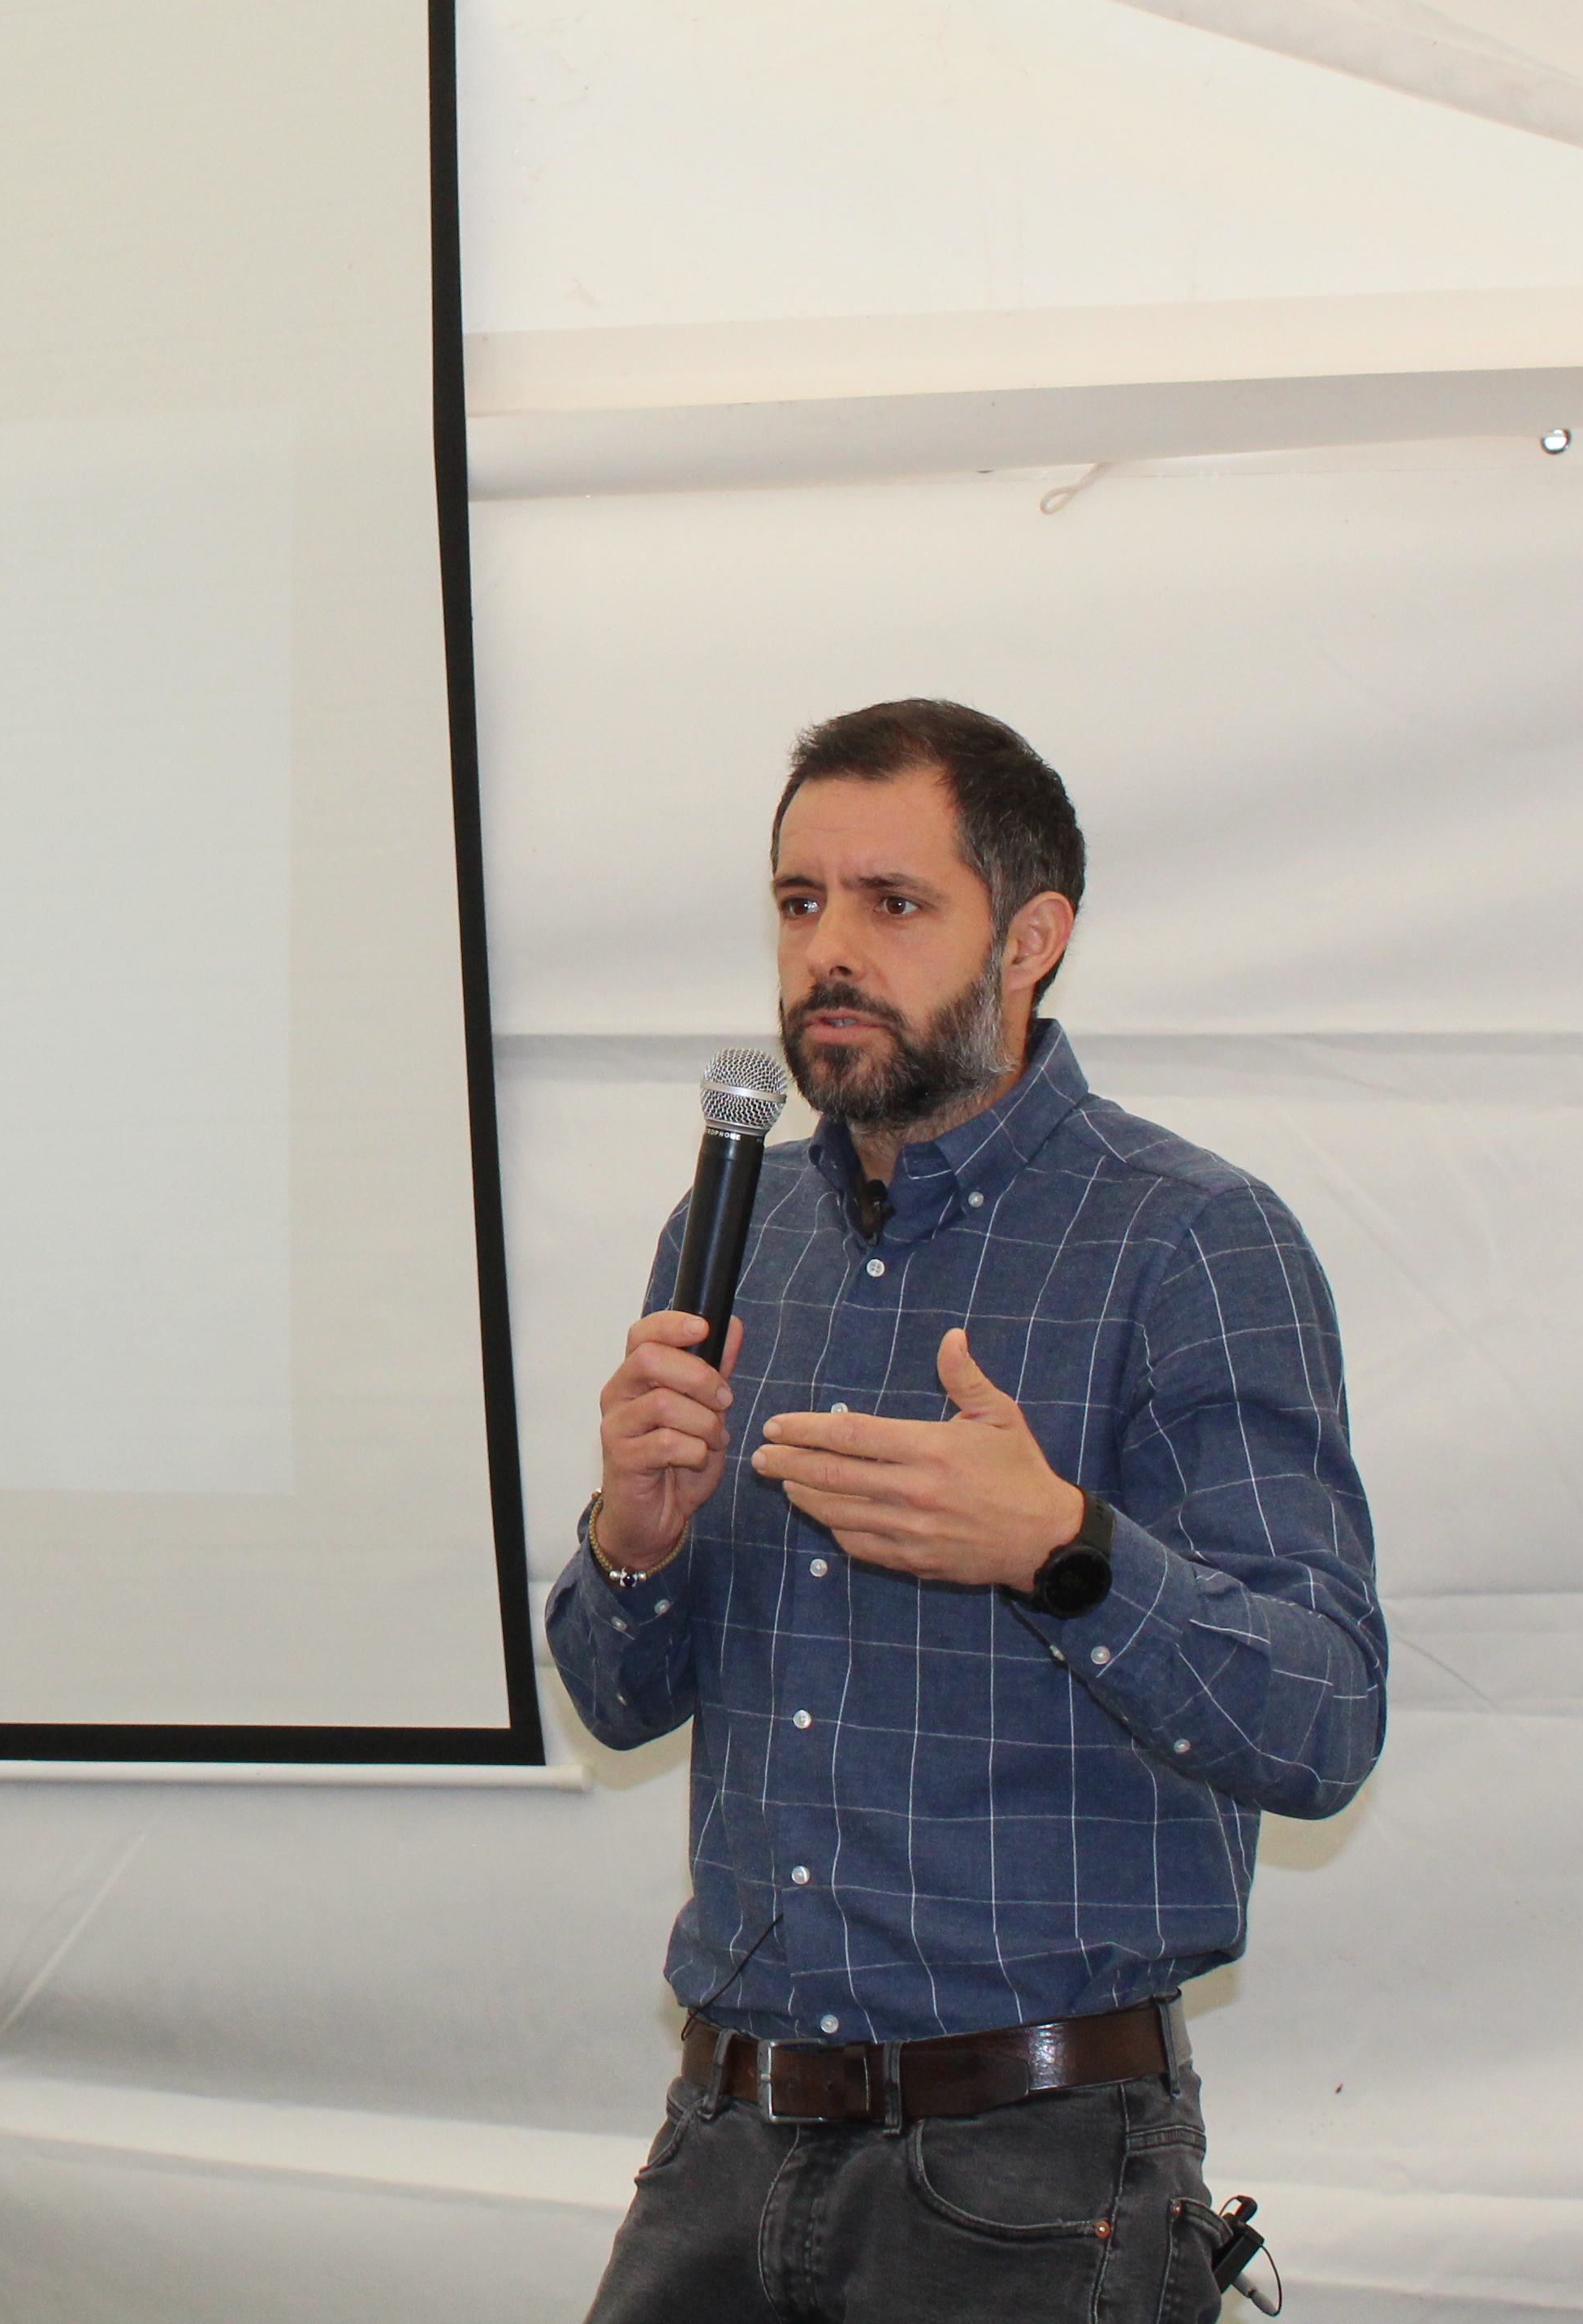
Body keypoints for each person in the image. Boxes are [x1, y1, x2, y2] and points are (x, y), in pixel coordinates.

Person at [553, 699, 1383, 2324]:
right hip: (725, 2138)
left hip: (1030, 2174)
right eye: (800, 903)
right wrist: (632, 1545)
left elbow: (1325, 1719)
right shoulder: (735, 1233)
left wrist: (1062, 1552)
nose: (829, 951)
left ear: (1032, 937)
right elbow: (618, 1699)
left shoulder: (1188, 1242)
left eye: (893, 903)